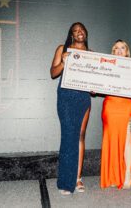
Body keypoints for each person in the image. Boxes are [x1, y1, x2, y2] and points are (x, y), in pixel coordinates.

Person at [50, 22, 91, 195]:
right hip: (66, 96)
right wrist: (64, 62)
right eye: (75, 31)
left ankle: (77, 178)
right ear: (71, 35)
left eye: (81, 29)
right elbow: (53, 73)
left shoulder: (91, 54)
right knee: (68, 136)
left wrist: (96, 86)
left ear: (85, 33)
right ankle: (65, 181)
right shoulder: (63, 49)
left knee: (80, 136)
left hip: (83, 97)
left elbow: (94, 83)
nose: (79, 32)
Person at [100, 40, 131, 189]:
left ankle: (127, 174)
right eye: (116, 48)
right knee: (111, 140)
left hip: (127, 106)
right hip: (110, 106)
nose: (119, 50)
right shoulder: (106, 67)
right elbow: (98, 84)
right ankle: (113, 175)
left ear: (127, 52)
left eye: (122, 48)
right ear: (113, 52)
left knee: (127, 139)